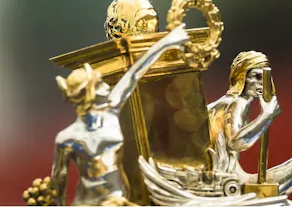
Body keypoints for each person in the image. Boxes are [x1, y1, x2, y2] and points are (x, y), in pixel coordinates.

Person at [51, 24, 190, 206]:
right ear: (89, 95)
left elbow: (134, 73)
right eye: (99, 84)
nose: (106, 87)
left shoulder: (111, 110)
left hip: (119, 200)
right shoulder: (67, 138)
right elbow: (58, 180)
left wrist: (167, 42)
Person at [207, 51, 292, 196]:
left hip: (216, 178)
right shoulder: (239, 102)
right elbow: (236, 142)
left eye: (265, 77)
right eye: (256, 76)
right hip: (234, 181)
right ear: (242, 76)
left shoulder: (215, 105)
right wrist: (266, 115)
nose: (262, 83)